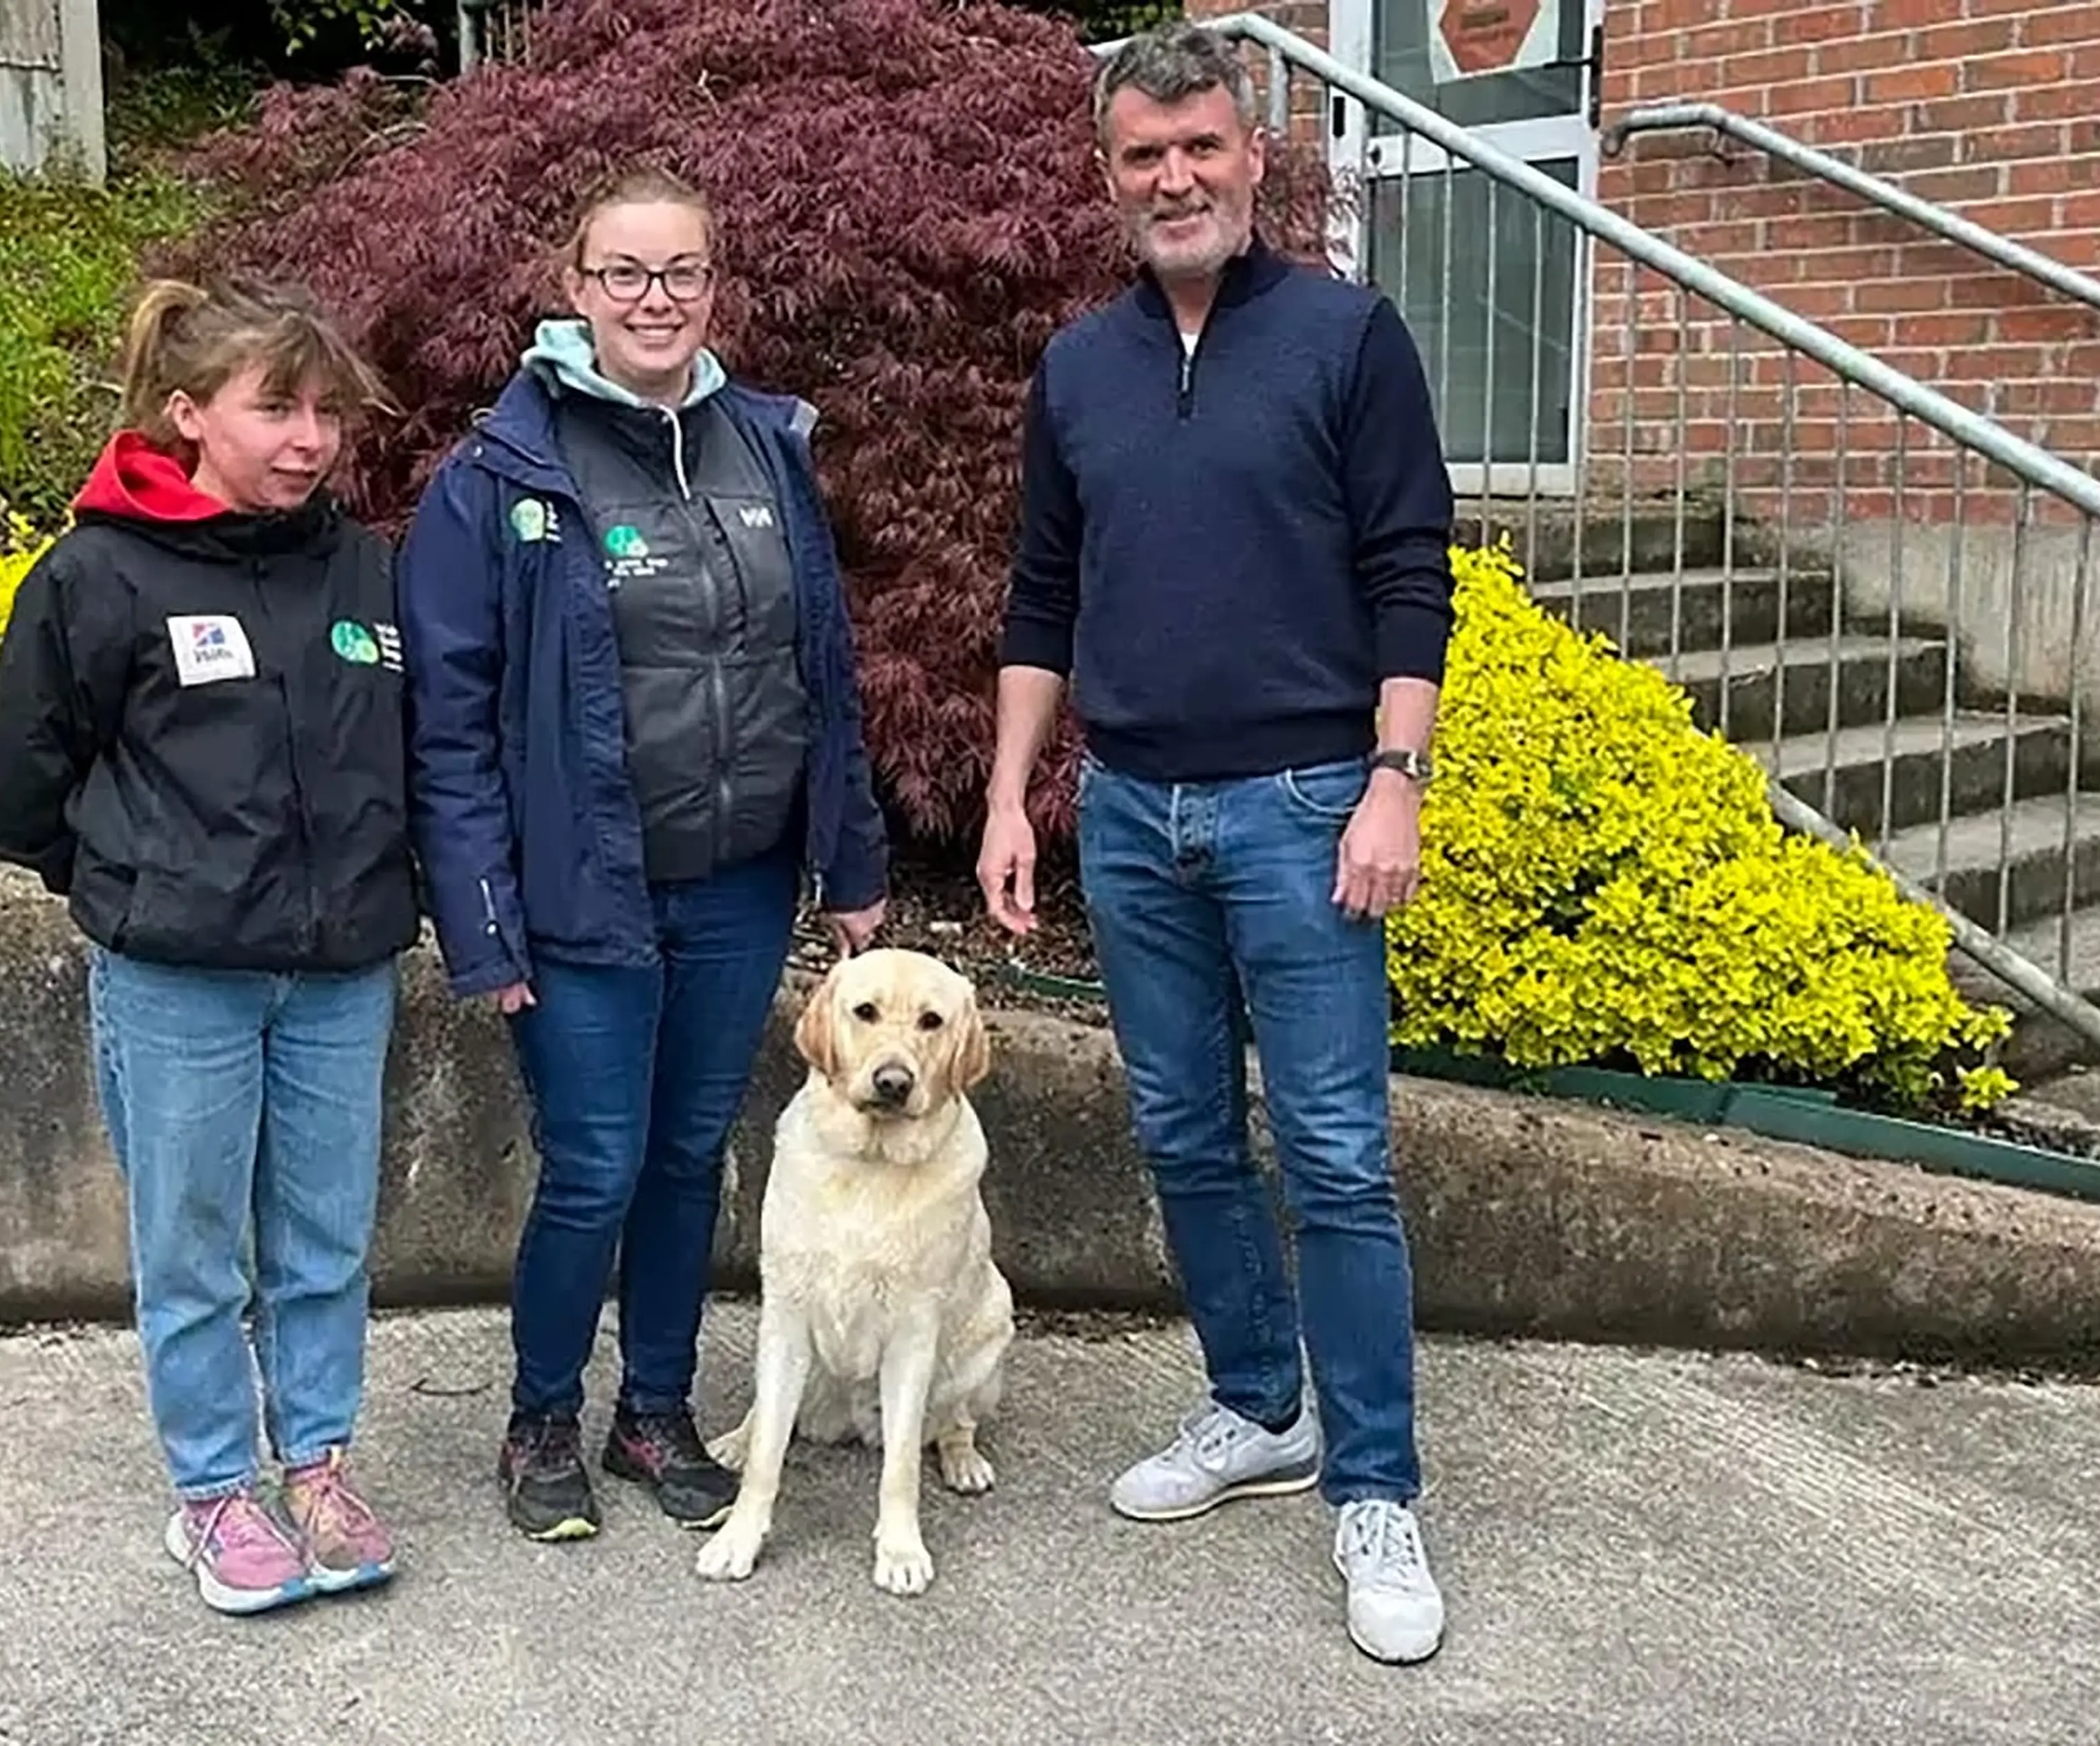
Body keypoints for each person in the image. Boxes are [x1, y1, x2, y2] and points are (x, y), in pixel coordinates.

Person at [974, 23, 1454, 1666]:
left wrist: (1396, 775)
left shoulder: (1346, 338)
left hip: (1309, 807)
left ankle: (1374, 1486)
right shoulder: (1078, 369)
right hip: (1129, 810)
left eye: (1200, 148)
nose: (1173, 177)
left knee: (1333, 1159)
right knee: (1182, 1135)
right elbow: (1046, 594)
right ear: (1110, 179)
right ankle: (1258, 1405)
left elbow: (1411, 575)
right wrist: (1005, 799)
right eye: (1141, 156)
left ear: (1254, 158)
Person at [399, 164, 891, 1545]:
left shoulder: (766, 449)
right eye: (625, 273)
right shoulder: (502, 476)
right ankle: (542, 1417)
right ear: (576, 287)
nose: (654, 298)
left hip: (739, 886)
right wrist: (483, 928)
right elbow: (448, 726)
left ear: (714, 287)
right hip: (581, 894)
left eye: (681, 272)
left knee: (689, 1157)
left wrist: (847, 862)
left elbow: (825, 672)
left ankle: (654, 1413)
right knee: (598, 1163)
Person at [0, 274, 419, 1617]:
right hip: (179, 978)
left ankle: (320, 1466)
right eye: (275, 407)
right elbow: (19, 778)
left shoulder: (365, 568)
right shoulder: (99, 571)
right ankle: (215, 1491)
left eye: (326, 412)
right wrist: (121, 884)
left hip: (341, 971)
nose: (309, 439)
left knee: (327, 1237)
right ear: (187, 413)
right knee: (193, 1248)